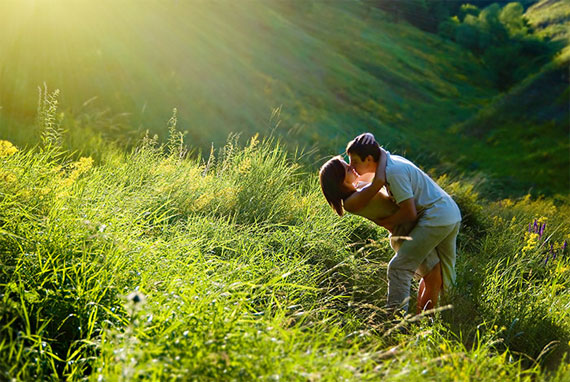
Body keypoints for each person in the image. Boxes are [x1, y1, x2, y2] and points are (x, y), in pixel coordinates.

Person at [319, 135, 445, 314]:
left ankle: (421, 318)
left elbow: (369, 169)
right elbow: (378, 180)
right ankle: (417, 319)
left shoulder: (356, 188)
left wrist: (369, 139)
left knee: (431, 274)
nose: (352, 168)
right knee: (432, 275)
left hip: (408, 227)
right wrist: (382, 153)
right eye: (347, 169)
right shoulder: (352, 202)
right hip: (403, 231)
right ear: (339, 183)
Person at [345, 133, 461, 314]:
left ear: (369, 159)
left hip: (437, 216)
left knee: (399, 267)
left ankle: (395, 321)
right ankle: (440, 318)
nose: (352, 167)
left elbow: (409, 212)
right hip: (450, 213)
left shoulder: (393, 172)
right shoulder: (390, 163)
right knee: (444, 274)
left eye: (354, 162)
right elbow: (365, 183)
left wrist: (386, 222)